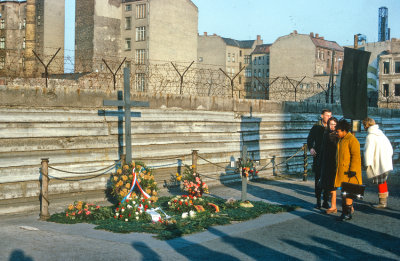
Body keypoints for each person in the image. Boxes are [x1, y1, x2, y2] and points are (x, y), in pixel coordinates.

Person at [334, 119, 362, 221]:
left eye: (338, 131)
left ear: (344, 130)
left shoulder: (352, 140)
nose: (336, 133)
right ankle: (345, 212)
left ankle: (347, 213)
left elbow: (356, 156)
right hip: (343, 172)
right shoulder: (341, 139)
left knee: (348, 194)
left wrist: (353, 169)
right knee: (344, 194)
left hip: (349, 173)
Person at [362, 117, 393, 208]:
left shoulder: (370, 136)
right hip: (385, 162)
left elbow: (368, 152)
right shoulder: (381, 134)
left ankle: (382, 203)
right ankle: (383, 201)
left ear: (366, 125)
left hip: (378, 164)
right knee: (383, 181)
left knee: (381, 182)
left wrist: (367, 164)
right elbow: (390, 148)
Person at [307, 109, 332, 209]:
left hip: (329, 157)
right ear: (322, 116)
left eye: (330, 115)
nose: (329, 117)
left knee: (328, 179)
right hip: (318, 156)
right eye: (327, 115)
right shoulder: (316, 126)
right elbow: (310, 139)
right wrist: (311, 148)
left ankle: (326, 200)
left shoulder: (332, 127)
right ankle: (318, 201)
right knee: (318, 179)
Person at [319, 117, 339, 214]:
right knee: (330, 185)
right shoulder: (325, 134)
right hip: (327, 162)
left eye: (334, 125)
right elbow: (323, 149)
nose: (332, 127)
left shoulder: (338, 135)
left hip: (335, 162)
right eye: (331, 124)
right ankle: (332, 205)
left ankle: (348, 206)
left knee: (336, 185)